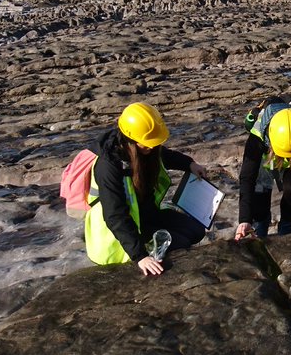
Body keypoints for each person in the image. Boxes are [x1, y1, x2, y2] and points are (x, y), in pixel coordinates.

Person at [84, 102, 209, 275]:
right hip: (119, 236)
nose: (151, 147)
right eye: (147, 143)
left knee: (196, 230)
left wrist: (189, 164)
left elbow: (164, 154)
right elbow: (115, 216)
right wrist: (140, 256)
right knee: (182, 243)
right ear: (131, 138)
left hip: (147, 215)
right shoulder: (108, 166)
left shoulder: (144, 147)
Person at [234, 95, 291, 240]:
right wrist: (244, 219)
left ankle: (285, 226)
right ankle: (261, 224)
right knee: (261, 193)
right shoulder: (258, 132)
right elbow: (247, 177)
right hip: (266, 160)